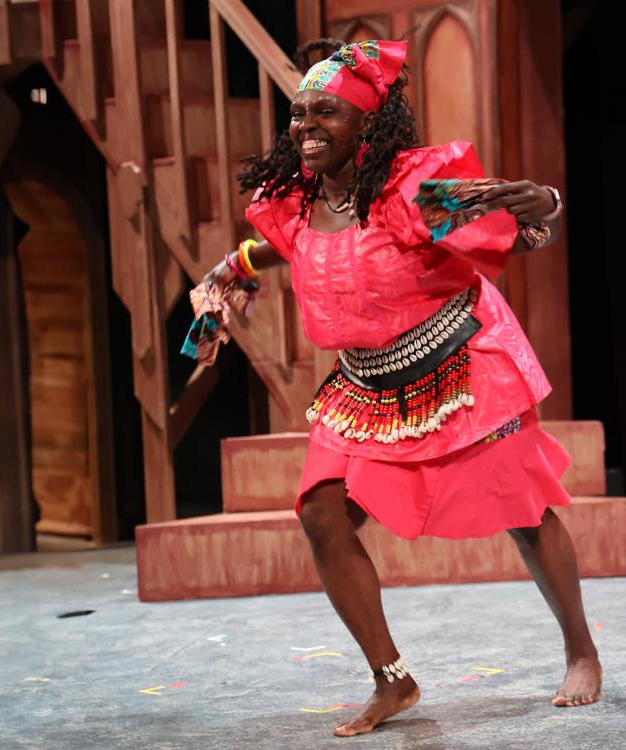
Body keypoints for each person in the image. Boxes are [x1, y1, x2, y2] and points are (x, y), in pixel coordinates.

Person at [205, 38, 601, 738]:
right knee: (320, 514)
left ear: (369, 124)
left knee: (524, 512)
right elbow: (282, 242)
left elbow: (519, 229)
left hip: (461, 365)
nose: (306, 128)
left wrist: (547, 203)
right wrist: (232, 268)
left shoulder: (410, 192)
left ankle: (581, 650)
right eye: (298, 115)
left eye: (325, 114)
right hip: (365, 385)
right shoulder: (297, 201)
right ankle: (392, 679)